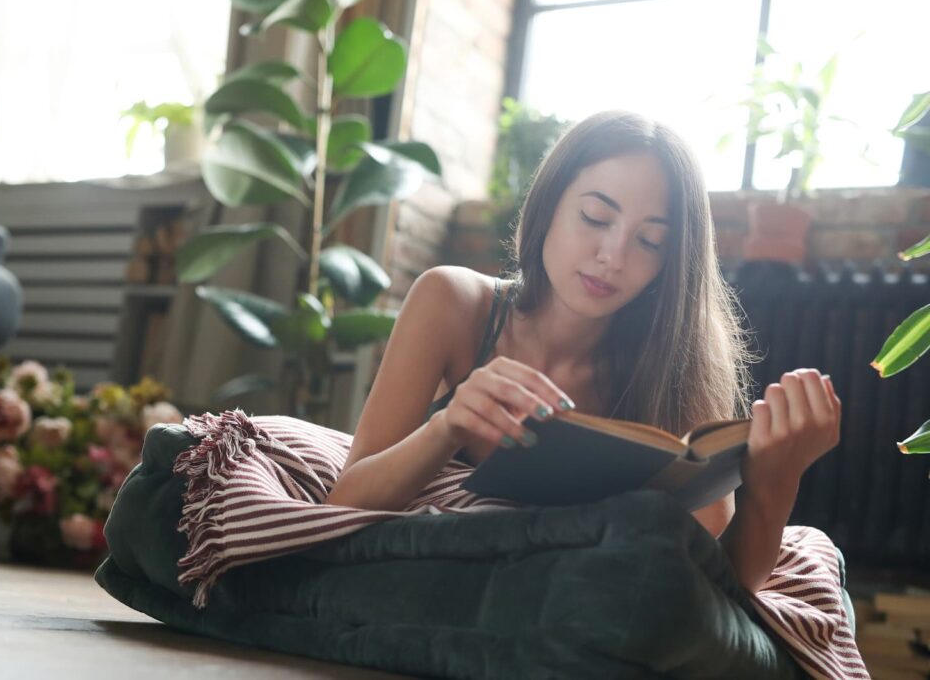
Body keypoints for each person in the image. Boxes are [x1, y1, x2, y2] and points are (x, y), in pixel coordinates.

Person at [323, 110, 841, 594]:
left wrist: (774, 483)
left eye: (650, 241)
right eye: (595, 217)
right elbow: (345, 501)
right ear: (547, 207)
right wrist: (447, 426)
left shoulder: (679, 357)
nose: (612, 257)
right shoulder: (454, 303)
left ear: (670, 263)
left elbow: (721, 586)